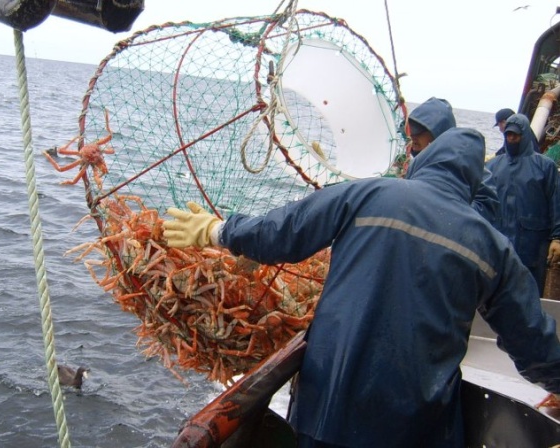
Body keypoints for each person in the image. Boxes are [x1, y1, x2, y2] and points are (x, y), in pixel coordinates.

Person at [163, 128, 560, 447]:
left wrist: (217, 230)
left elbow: (280, 233)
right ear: (474, 184)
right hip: (416, 426)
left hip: (327, 410)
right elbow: (532, 340)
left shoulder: (369, 193)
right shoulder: (493, 246)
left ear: (423, 161)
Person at [486, 113, 560, 292]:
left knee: (530, 290)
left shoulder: (545, 166)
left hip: (533, 245)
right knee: (496, 290)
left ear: (525, 135)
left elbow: (556, 203)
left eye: (516, 135)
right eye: (508, 135)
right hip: (499, 241)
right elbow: (483, 204)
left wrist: (557, 238)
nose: (511, 139)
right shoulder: (492, 167)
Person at [407, 97, 499, 222]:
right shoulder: (413, 165)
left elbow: (487, 212)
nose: (413, 136)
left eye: (419, 132)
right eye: (410, 131)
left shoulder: (474, 172)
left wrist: (437, 202)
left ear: (438, 133)